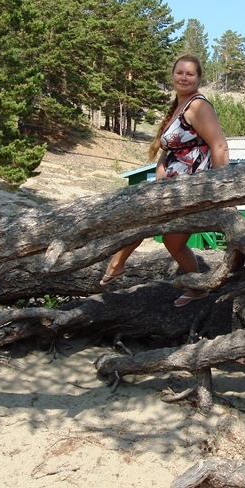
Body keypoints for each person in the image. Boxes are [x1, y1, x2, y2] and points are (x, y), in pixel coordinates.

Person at [99, 54, 230, 307]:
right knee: (173, 241)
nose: (184, 77)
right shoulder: (179, 107)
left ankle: (117, 264)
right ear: (172, 76)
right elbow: (168, 153)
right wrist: (158, 183)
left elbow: (220, 146)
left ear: (199, 78)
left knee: (141, 220)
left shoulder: (198, 106)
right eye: (179, 72)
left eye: (190, 74)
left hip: (191, 187)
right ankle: (199, 286)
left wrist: (222, 188)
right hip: (171, 186)